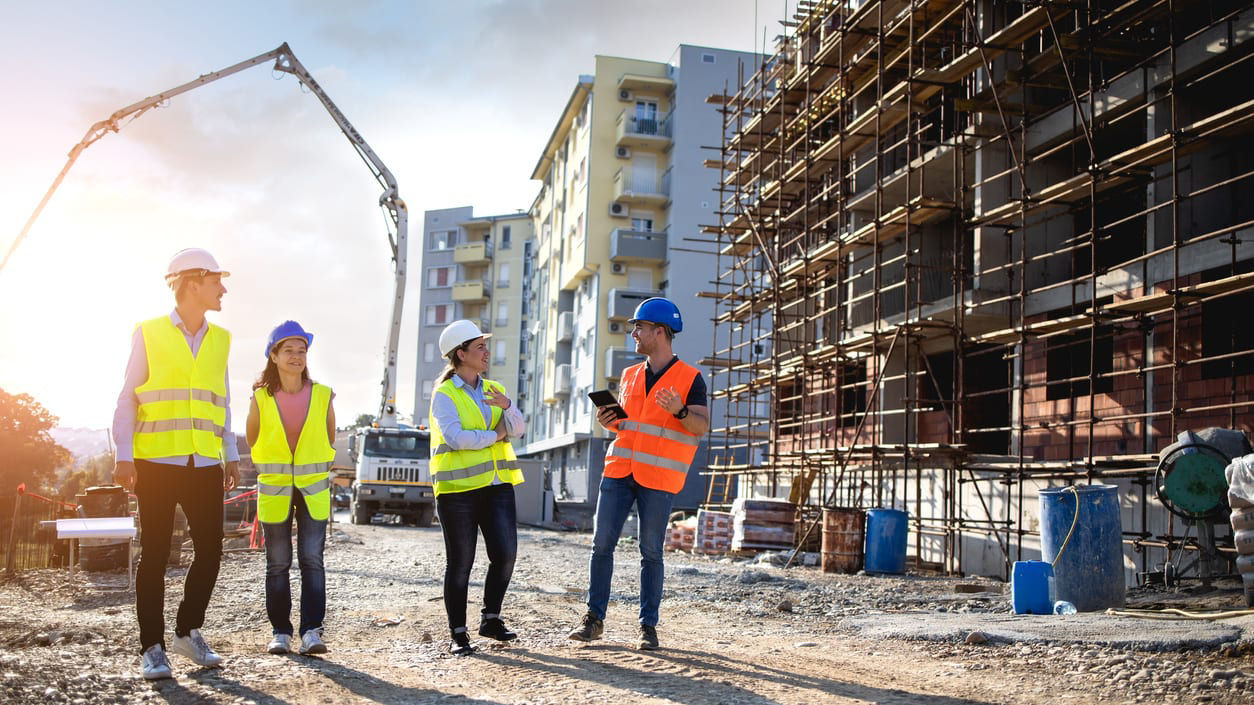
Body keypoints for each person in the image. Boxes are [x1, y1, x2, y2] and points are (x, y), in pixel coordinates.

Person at [112, 248, 240, 680]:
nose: (223, 288)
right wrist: (123, 455)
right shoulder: (148, 332)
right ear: (192, 282)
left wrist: (231, 454)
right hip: (156, 462)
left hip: (204, 461)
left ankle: (187, 629)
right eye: (216, 281)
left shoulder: (221, 339)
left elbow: (222, 402)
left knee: (211, 550)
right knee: (154, 555)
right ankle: (152, 647)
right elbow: (127, 397)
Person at [567, 297, 709, 651]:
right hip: (619, 470)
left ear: (659, 332)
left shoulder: (690, 378)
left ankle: (648, 627)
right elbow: (629, 424)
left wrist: (679, 411)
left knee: (651, 552)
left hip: (658, 478)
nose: (633, 333)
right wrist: (610, 421)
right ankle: (593, 619)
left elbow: (701, 426)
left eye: (639, 327)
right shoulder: (630, 375)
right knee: (601, 545)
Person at [428, 319, 526, 655]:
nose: (487, 352)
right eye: (480, 347)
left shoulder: (493, 389)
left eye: (485, 346)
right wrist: (496, 435)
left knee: (505, 555)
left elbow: (519, 428)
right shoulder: (444, 394)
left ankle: (491, 619)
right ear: (461, 353)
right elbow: (456, 439)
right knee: (460, 562)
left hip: (497, 484)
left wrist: (508, 408)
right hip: (458, 491)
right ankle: (458, 633)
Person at [245, 321, 336, 656]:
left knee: (313, 560)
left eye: (302, 351)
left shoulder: (323, 394)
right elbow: (252, 438)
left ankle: (312, 631)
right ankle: (280, 632)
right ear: (274, 355)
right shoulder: (260, 398)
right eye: (289, 351)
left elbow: (328, 437)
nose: (297, 357)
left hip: (313, 490)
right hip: (275, 490)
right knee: (277, 563)